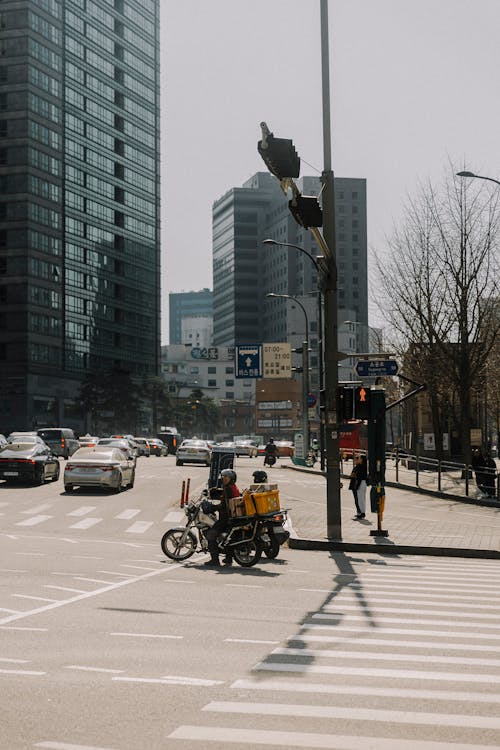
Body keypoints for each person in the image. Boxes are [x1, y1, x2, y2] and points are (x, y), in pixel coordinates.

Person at [204, 469, 240, 567]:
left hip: (226, 519)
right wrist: (216, 491)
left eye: (226, 477)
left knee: (211, 535)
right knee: (226, 538)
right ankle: (228, 559)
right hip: (231, 518)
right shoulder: (232, 487)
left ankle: (214, 560)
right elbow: (225, 497)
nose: (223, 479)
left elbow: (225, 505)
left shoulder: (228, 489)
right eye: (223, 477)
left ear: (231, 478)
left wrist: (213, 507)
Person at [349, 453, 368, 520]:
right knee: (361, 499)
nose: (357, 459)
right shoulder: (360, 466)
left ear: (362, 460)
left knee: (361, 499)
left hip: (361, 483)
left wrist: (355, 476)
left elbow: (356, 476)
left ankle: (362, 513)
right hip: (361, 483)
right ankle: (362, 512)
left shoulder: (362, 467)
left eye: (359, 458)